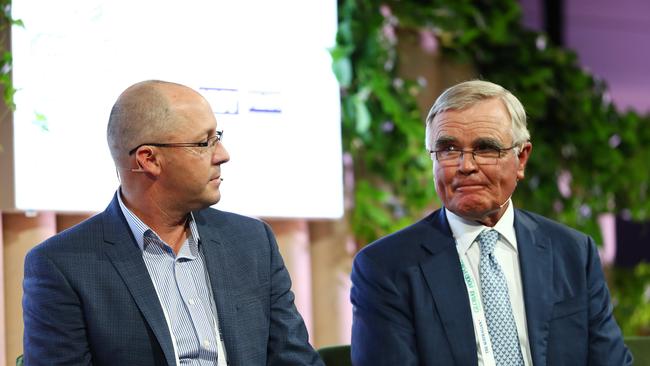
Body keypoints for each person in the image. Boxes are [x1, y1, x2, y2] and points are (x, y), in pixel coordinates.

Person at [23, 80, 324, 366]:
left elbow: (295, 359)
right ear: (149, 159)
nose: (222, 155)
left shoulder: (251, 241)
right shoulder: (62, 265)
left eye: (217, 138)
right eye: (204, 142)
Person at [350, 80, 632, 365]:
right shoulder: (386, 267)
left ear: (521, 159)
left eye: (486, 148)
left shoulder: (572, 252)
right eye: (448, 149)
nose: (466, 165)